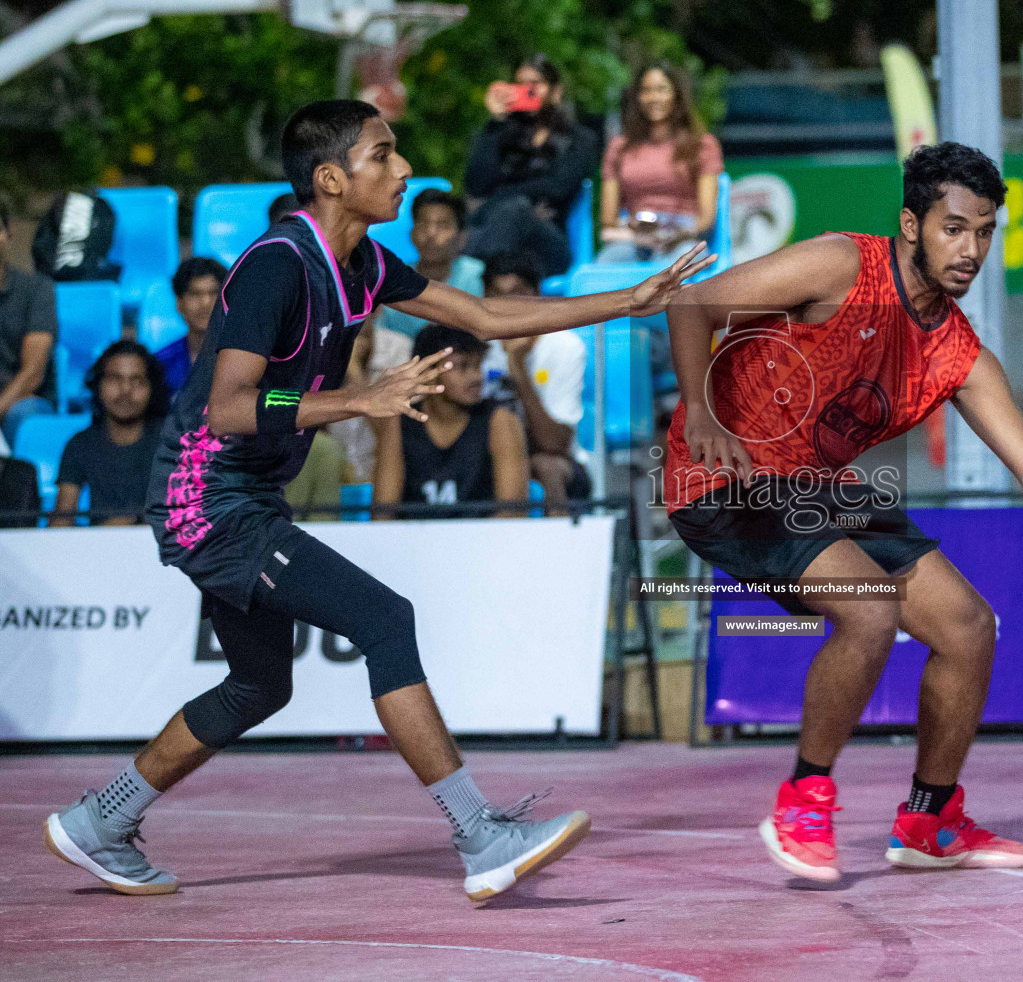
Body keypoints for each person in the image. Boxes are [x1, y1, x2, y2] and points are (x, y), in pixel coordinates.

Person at [41, 99, 712, 903]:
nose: (403, 171)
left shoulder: (361, 263)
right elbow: (225, 407)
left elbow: (484, 315)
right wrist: (359, 400)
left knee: (260, 685)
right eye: (384, 156)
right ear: (332, 178)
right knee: (384, 619)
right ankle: (479, 834)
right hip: (207, 498)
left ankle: (100, 822)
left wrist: (627, 301)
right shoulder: (276, 266)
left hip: (244, 492)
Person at [665, 141, 1023, 884]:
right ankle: (803, 799)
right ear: (910, 223)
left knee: (967, 626)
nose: (972, 249)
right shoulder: (841, 267)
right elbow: (692, 301)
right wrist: (701, 414)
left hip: (812, 485)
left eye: (986, 231)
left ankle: (929, 819)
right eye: (954, 228)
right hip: (722, 475)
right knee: (868, 610)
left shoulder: (958, 354)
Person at [374, 324, 528, 518]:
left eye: (477, 365)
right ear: (427, 372)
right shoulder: (398, 422)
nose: (476, 377)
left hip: (484, 544)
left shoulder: (500, 420)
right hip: (412, 545)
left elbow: (511, 515)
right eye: (462, 366)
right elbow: (382, 515)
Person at [464, 55, 598, 277]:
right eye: (521, 84)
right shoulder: (501, 134)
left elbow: (558, 187)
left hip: (548, 243)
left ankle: (468, 283)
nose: (528, 90)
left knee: (514, 209)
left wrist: (503, 198)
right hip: (500, 234)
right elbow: (477, 184)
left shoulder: (581, 139)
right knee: (510, 212)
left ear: (556, 92)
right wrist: (495, 123)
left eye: (536, 84)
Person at [484, 254, 591, 511]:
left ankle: (557, 545)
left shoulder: (565, 347)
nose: (508, 306)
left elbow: (555, 444)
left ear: (537, 294)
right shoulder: (474, 349)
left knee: (546, 466)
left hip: (553, 460)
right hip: (486, 454)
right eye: (497, 296)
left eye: (517, 295)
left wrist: (518, 369)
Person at [598, 63, 723, 264]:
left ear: (677, 95)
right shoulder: (619, 147)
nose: (653, 98)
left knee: (676, 267)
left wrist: (678, 234)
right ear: (637, 97)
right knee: (607, 264)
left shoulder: (702, 145)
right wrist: (635, 229)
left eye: (661, 89)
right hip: (634, 239)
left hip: (683, 239)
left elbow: (706, 219)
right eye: (646, 91)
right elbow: (608, 218)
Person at [52, 340, 168, 526]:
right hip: (97, 551)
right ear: (98, 384)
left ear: (152, 388)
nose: (125, 391)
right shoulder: (80, 444)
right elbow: (61, 521)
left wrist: (132, 521)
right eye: (115, 379)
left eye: (137, 381)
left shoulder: (173, 443)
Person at [379, 188, 486, 341]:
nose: (431, 234)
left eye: (442, 226)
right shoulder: (393, 280)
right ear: (412, 234)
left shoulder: (480, 276)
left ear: (462, 237)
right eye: (423, 224)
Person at [0, 198, 56, 447]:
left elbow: (32, 372)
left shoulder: (36, 290)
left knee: (27, 417)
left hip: (19, 400)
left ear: (7, 232)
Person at [156, 257, 228, 395]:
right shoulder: (160, 364)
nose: (205, 303)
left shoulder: (247, 359)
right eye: (195, 294)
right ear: (179, 303)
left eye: (213, 293)